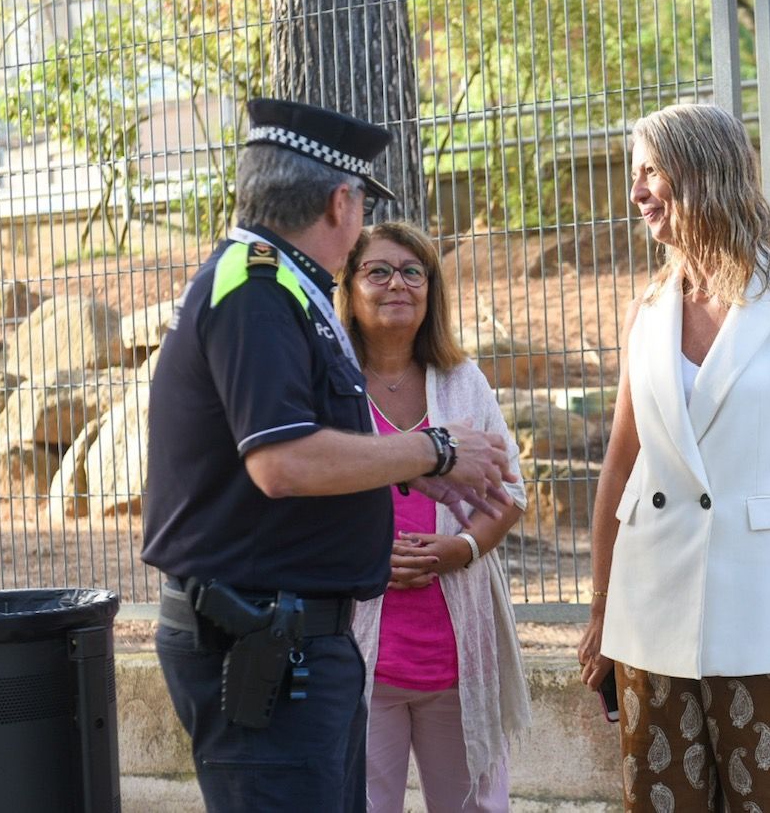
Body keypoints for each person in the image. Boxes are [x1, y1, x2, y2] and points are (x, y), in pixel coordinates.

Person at [142, 98, 514, 813]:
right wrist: (431, 451)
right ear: (342, 201)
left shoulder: (285, 289)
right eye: (362, 202)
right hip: (262, 642)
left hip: (298, 640)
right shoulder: (255, 291)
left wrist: (416, 467)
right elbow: (282, 463)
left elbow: (309, 446)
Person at [576, 103, 770, 812]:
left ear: (703, 172)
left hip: (766, 610)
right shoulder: (647, 310)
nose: (635, 192)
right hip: (650, 609)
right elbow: (618, 466)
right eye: (632, 175)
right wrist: (602, 607)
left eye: (650, 172)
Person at [333, 221, 531, 812]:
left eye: (413, 272)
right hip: (361, 652)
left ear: (430, 290)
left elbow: (510, 492)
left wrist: (461, 549)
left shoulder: (462, 381)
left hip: (455, 653)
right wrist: (363, 556)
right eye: (379, 271)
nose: (398, 283)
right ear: (350, 286)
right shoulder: (330, 384)